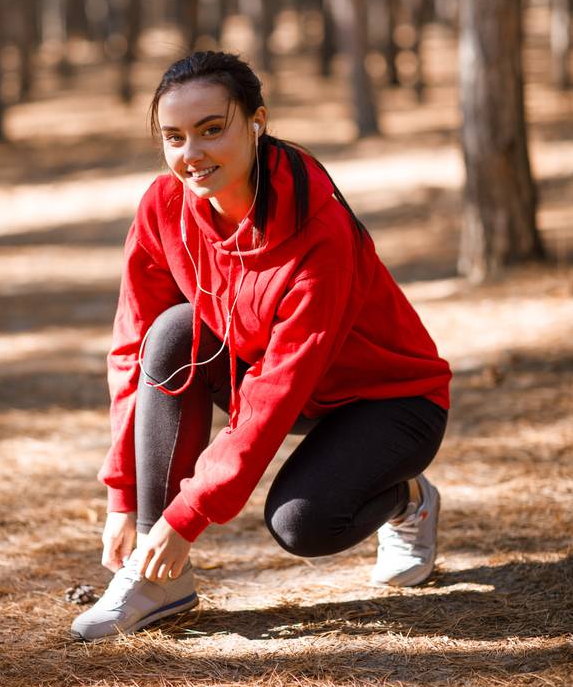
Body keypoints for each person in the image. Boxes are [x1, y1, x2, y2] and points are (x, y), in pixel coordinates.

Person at [71, 50, 451, 642]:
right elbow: (131, 350)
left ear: (257, 122)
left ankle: (406, 498)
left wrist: (188, 516)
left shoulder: (318, 229)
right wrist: (126, 500)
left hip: (391, 401)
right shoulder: (163, 208)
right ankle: (158, 581)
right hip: (282, 381)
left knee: (304, 524)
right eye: (174, 137)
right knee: (171, 333)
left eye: (212, 129)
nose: (191, 154)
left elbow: (278, 388)